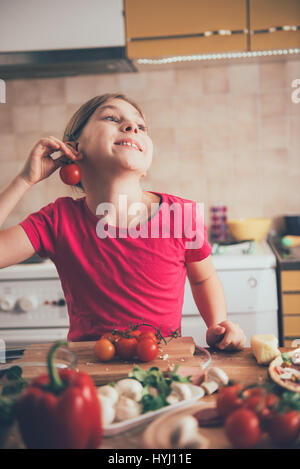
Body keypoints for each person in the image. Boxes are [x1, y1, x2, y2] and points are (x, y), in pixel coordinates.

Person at [0, 92, 246, 350]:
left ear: (145, 164)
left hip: (163, 371)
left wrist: (218, 324)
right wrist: (25, 180)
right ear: (73, 149)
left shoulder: (180, 214)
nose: (131, 127)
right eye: (111, 118)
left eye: (141, 126)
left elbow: (203, 279)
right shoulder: (57, 220)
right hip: (89, 373)